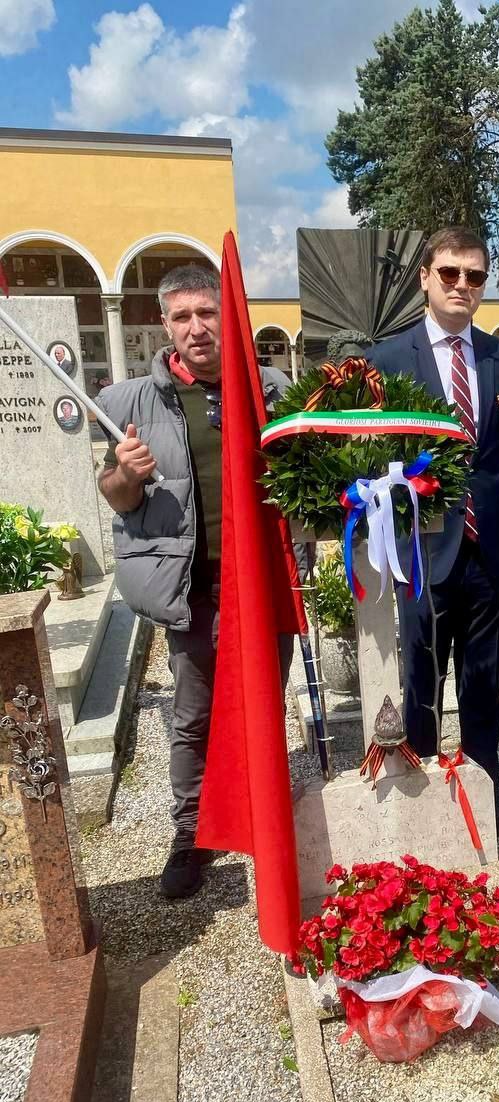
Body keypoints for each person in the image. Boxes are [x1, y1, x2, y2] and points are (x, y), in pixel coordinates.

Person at [97, 264, 293, 899]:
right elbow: (116, 498)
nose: (196, 328)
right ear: (165, 325)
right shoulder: (130, 403)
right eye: (182, 317)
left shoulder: (271, 389)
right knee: (194, 716)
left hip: (261, 585)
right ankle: (191, 834)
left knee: (263, 705)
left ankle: (263, 814)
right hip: (193, 587)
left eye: (207, 313)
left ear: (226, 317)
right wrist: (125, 473)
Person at [369, 227, 499, 842]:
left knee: (483, 683)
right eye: (450, 273)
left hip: (488, 547)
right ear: (425, 278)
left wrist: (476, 503)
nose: (462, 285)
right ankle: (424, 800)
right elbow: (379, 454)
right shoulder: (389, 359)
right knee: (421, 680)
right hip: (423, 550)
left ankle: (483, 798)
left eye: (475, 275)